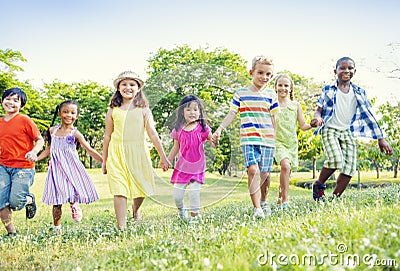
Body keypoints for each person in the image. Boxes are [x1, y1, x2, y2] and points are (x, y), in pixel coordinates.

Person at [310, 57, 393, 200]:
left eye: (350, 68)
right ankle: (319, 185)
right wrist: (317, 118)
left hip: (346, 131)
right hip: (330, 129)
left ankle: (334, 199)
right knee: (336, 159)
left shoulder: (359, 92)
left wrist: (381, 138)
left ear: (355, 71)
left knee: (350, 168)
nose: (346, 71)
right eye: (342, 68)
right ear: (335, 71)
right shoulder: (328, 90)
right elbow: (319, 110)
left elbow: (368, 115)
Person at [212, 55, 279, 219]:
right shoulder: (241, 93)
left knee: (265, 174)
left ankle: (263, 201)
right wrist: (220, 128)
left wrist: (276, 138)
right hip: (249, 138)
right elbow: (232, 113)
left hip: (268, 139)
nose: (264, 77)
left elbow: (273, 118)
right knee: (253, 170)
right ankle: (257, 209)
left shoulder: (272, 94)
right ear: (251, 72)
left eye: (268, 74)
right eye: (260, 73)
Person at [102, 71, 170, 230]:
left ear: (138, 88)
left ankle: (136, 208)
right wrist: (105, 160)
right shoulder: (113, 110)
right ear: (118, 88)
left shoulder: (144, 109)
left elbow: (152, 133)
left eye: (132, 84)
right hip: (117, 153)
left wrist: (163, 157)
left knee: (141, 187)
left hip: (138, 152)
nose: (128, 87)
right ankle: (122, 228)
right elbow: (107, 136)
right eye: (124, 84)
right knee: (119, 189)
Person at [37, 100, 102, 233]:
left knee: (71, 191)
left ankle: (74, 204)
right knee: (56, 199)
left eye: (72, 113)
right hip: (55, 169)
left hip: (71, 167)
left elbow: (89, 149)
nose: (69, 115)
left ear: (76, 116)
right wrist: (36, 159)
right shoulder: (52, 130)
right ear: (60, 114)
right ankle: (57, 228)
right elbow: (50, 148)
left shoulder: (75, 133)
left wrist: (103, 161)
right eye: (65, 112)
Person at [0, 88, 44, 235]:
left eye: (15, 100)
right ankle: (12, 232)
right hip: (3, 166)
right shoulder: (0, 122)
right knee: (0, 200)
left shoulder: (25, 120)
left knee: (15, 203)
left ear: (21, 105)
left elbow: (40, 140)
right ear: (2, 100)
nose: (11, 102)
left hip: (23, 168)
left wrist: (34, 151)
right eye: (8, 98)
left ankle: (29, 199)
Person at [165, 95, 215, 222]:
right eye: (188, 109)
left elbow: (213, 143)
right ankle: (182, 211)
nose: (192, 112)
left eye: (195, 110)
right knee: (177, 196)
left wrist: (216, 139)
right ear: (182, 112)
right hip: (182, 168)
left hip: (197, 168)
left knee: (194, 192)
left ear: (200, 112)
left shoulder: (203, 128)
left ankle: (194, 218)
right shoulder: (178, 129)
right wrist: (167, 161)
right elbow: (175, 147)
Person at [274, 74, 313, 209]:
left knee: (287, 172)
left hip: (291, 143)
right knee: (285, 166)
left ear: (291, 88)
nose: (283, 88)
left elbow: (303, 126)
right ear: (275, 87)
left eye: (286, 85)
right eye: (280, 85)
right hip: (277, 142)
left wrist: (313, 124)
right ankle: (285, 201)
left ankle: (280, 199)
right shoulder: (272, 105)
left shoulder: (295, 105)